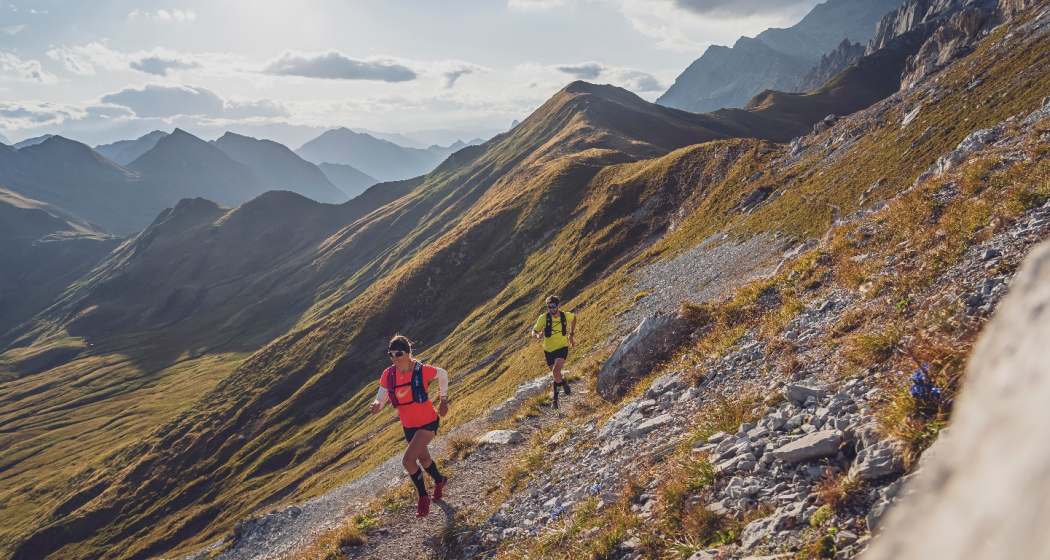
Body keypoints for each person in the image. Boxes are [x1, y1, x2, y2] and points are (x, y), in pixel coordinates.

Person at [370, 334, 449, 518]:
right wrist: (377, 405)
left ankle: (423, 497)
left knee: (407, 461)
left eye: (398, 353)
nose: (394, 357)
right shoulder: (388, 375)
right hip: (408, 426)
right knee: (424, 460)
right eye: (391, 354)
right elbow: (381, 397)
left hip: (428, 422)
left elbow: (443, 374)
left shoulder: (421, 370)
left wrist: (443, 399)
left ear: (407, 353)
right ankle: (440, 480)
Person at [531, 295, 576, 408]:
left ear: (558, 305)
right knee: (556, 375)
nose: (552, 309)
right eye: (549, 307)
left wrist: (571, 334)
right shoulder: (543, 318)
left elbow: (574, 318)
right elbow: (534, 331)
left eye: (554, 306)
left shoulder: (565, 316)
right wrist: (538, 335)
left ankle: (555, 400)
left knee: (556, 372)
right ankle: (564, 384)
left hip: (562, 347)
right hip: (548, 350)